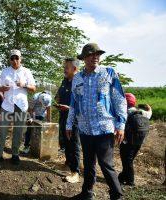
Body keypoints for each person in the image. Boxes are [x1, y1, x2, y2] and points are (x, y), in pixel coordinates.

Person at [66, 43, 127, 200]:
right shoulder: (77, 78)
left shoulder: (108, 73)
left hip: (104, 128)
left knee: (106, 165)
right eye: (92, 54)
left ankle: (117, 195)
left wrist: (121, 125)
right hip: (85, 128)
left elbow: (120, 99)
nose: (95, 57)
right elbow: (73, 102)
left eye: (98, 54)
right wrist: (69, 123)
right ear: (84, 58)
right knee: (88, 164)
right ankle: (87, 193)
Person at [0, 49, 36, 168]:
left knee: (18, 131)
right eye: (12, 58)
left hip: (21, 105)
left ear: (20, 59)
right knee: (2, 130)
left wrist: (24, 85)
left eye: (17, 58)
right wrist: (2, 89)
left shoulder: (26, 72)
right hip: (7, 105)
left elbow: (33, 88)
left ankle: (15, 154)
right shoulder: (5, 71)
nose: (14, 60)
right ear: (10, 60)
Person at [55, 58, 81, 183]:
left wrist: (69, 108)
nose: (64, 69)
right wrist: (58, 100)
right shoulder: (64, 81)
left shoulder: (80, 82)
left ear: (75, 69)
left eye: (67, 67)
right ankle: (68, 163)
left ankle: (75, 172)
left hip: (75, 118)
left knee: (74, 144)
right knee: (65, 141)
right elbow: (60, 95)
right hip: (63, 116)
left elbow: (83, 104)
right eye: (64, 67)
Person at [118, 93, 152, 186]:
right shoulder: (142, 112)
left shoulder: (124, 113)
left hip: (127, 142)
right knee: (128, 161)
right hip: (139, 141)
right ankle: (121, 178)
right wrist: (148, 107)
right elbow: (150, 113)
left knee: (127, 162)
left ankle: (130, 182)